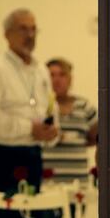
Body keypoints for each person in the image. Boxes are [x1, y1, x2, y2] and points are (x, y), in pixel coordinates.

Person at [0, 8, 58, 218]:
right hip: (2, 155)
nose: (30, 34)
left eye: (33, 29)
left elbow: (47, 107)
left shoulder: (40, 69)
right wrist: (27, 128)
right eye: (23, 28)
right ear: (7, 34)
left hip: (32, 154)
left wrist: (51, 132)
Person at [42, 58, 97, 186]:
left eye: (62, 74)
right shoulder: (40, 106)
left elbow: (97, 136)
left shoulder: (84, 106)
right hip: (47, 184)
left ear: (70, 79)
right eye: (52, 75)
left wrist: (77, 141)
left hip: (78, 184)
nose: (56, 80)